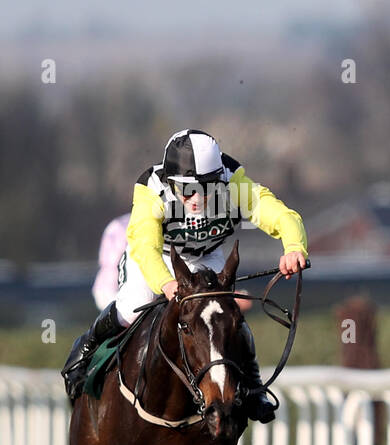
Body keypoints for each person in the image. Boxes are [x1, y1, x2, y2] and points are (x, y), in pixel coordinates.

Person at [60, 129, 309, 422]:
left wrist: (293, 247)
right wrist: (165, 282)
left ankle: (253, 386)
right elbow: (145, 246)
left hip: (206, 255)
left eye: (206, 188)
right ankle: (86, 347)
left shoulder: (234, 183)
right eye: (187, 189)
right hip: (159, 256)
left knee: (223, 314)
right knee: (130, 306)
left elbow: (280, 215)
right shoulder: (151, 190)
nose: (196, 197)